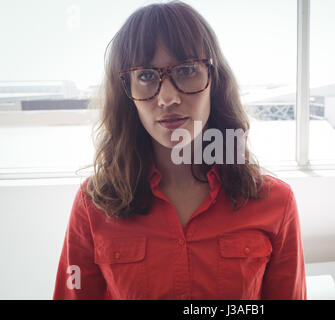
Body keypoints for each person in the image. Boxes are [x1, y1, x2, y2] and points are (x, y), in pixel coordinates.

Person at [53, 0, 307, 300]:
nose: (168, 97)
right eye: (146, 76)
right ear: (127, 92)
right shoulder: (92, 204)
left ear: (215, 80)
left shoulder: (275, 202)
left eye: (187, 70)